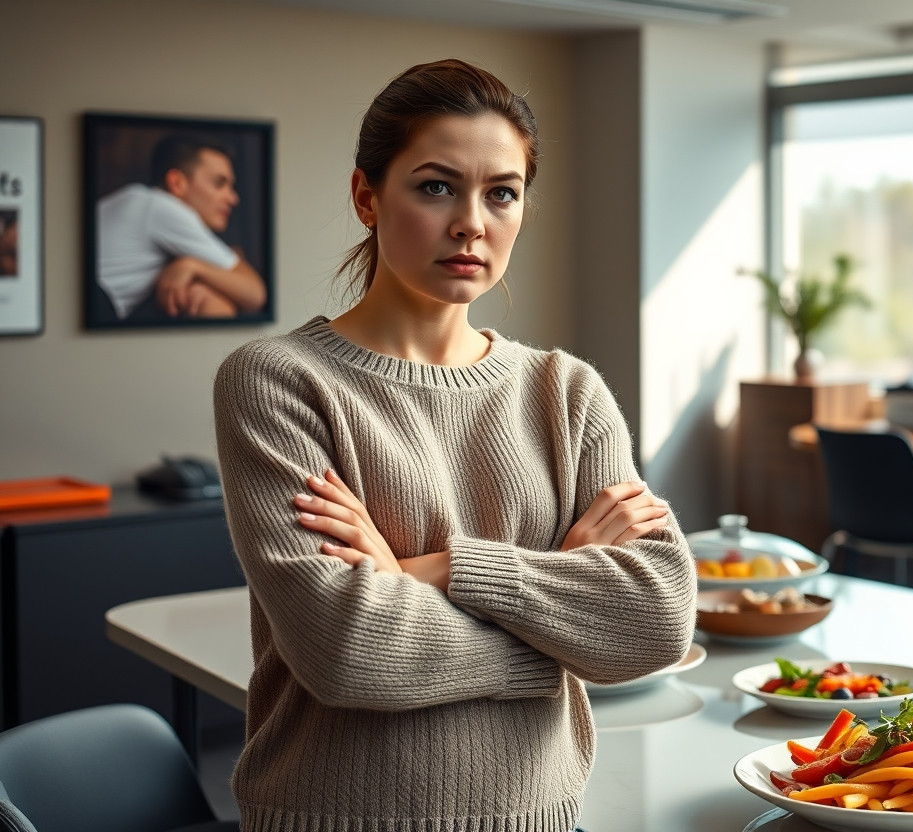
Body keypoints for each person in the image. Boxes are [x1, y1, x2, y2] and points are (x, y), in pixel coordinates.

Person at [212, 58, 695, 832]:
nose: (472, 220)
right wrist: (562, 635)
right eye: (436, 186)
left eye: (501, 192)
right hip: (334, 819)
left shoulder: (566, 392)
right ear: (367, 197)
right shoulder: (277, 382)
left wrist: (434, 571)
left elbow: (657, 622)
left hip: (541, 814)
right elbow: (348, 650)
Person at [96, 134, 266, 320]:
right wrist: (193, 266)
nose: (233, 198)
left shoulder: (138, 200)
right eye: (219, 184)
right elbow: (255, 294)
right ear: (177, 183)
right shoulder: (160, 207)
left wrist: (192, 267)